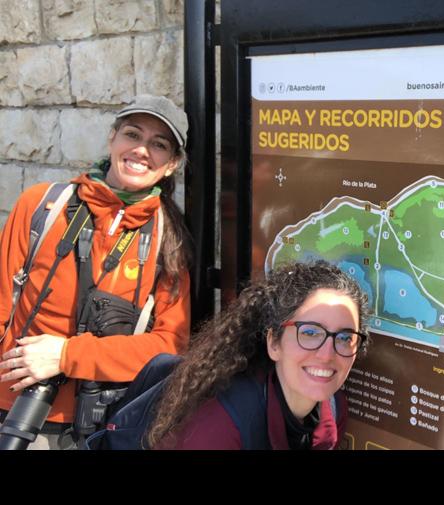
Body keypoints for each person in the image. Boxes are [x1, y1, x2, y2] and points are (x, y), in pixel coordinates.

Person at [0, 94, 192, 449]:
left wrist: (66, 356)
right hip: (14, 409)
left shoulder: (168, 240)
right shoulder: (41, 206)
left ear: (171, 164)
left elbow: (170, 346)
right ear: (112, 138)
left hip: (103, 421)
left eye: (159, 144)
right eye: (132, 134)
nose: (141, 150)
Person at [147, 260, 368, 450]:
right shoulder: (220, 425)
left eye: (344, 337)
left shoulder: (334, 409)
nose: (327, 354)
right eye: (310, 333)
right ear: (274, 343)